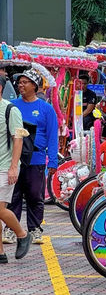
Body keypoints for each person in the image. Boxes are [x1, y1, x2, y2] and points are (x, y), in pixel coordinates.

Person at [6, 68, 58, 246]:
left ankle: (35, 229)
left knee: (35, 195)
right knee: (12, 195)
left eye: (25, 82)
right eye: (19, 82)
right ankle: (11, 230)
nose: (21, 85)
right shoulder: (12, 106)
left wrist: (53, 160)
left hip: (36, 159)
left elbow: (52, 136)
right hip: (15, 159)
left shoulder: (46, 109)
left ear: (34, 85)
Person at [0, 97, 32, 261]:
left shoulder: (10, 110)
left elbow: (18, 139)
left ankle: (22, 234)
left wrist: (13, 167)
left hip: (5, 167)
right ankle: (0, 253)